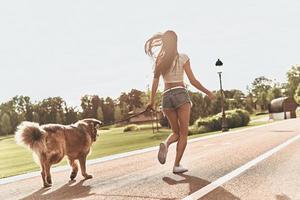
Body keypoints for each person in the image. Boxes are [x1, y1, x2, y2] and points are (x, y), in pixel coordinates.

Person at [145, 30, 215, 173]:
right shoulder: (183, 58)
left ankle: (166, 143)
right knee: (183, 133)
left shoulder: (160, 59)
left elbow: (155, 82)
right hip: (180, 94)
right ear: (176, 42)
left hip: (166, 97)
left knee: (175, 132)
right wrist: (207, 92)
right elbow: (193, 81)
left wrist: (151, 101)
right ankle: (176, 165)